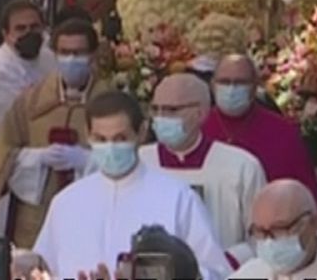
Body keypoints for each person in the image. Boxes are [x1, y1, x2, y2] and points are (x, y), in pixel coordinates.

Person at [29, 92, 228, 280]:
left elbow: (214, 272)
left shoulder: (177, 197)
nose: (111, 148)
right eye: (101, 139)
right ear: (88, 135)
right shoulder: (66, 202)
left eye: (120, 138)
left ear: (141, 133)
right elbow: (44, 267)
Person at [0, 18, 113, 247]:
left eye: (79, 52)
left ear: (92, 55)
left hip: (93, 218)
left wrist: (89, 161)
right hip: (35, 222)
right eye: (64, 52)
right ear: (53, 54)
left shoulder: (111, 104)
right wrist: (35, 158)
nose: (71, 59)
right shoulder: (31, 102)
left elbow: (130, 158)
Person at [138, 75, 266, 259]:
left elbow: (262, 236)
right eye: (155, 109)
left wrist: (225, 262)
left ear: (201, 113)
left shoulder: (241, 167)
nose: (160, 118)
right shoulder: (139, 162)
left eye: (171, 110)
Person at [203, 56, 317, 208]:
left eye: (240, 82)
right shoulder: (198, 127)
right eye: (225, 82)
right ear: (213, 85)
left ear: (254, 87)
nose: (232, 89)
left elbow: (306, 193)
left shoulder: (283, 132)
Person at [230, 179, 317, 279]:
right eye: (260, 232)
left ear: (314, 223)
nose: (269, 242)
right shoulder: (248, 274)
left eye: (280, 229)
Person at [0, 1, 58, 156]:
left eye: (34, 27)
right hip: (4, 155)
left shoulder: (48, 56)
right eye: (20, 29)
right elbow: (17, 124)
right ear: (6, 34)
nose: (29, 33)